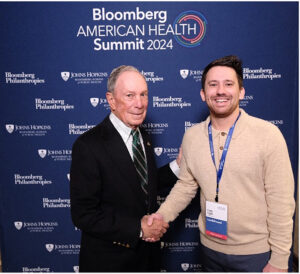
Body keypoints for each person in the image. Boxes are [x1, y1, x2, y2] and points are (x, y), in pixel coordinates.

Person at [147, 55, 295, 272]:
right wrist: (161, 216)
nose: (220, 91)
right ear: (203, 93)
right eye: (213, 85)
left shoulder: (268, 135)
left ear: (241, 92)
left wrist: (280, 259)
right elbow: (186, 186)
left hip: (257, 254)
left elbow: (281, 202)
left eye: (229, 84)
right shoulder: (192, 136)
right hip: (209, 250)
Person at [70, 65, 180, 272]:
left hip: (147, 260)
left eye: (143, 94)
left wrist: (178, 166)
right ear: (111, 100)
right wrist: (138, 229)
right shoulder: (88, 146)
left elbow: (140, 185)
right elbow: (83, 214)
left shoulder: (142, 136)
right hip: (110, 263)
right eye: (130, 95)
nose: (139, 104)